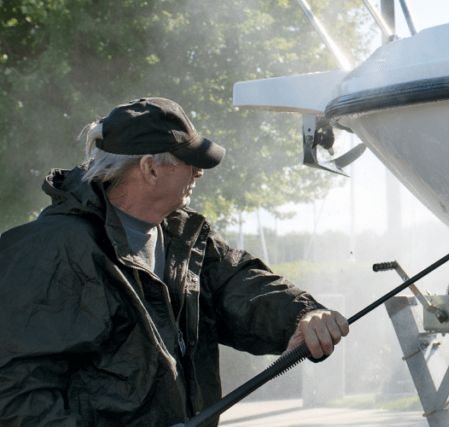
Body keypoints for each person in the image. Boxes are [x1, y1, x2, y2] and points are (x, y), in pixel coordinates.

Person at [0, 97, 348, 426]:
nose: (198, 173)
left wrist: (301, 315)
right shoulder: (49, 250)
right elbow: (14, 393)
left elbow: (238, 284)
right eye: (189, 162)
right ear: (150, 169)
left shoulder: (184, 236)